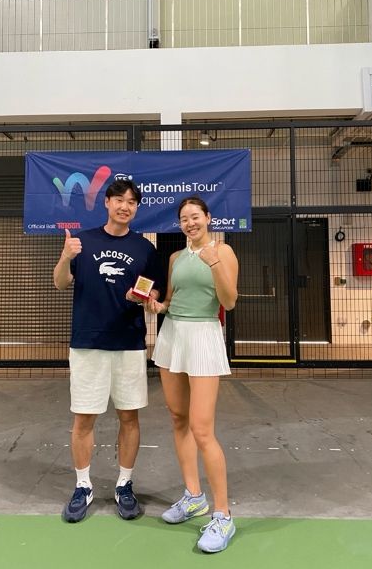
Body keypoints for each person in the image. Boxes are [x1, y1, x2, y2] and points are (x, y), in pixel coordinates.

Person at [53, 179, 162, 523]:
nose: (124, 206)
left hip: (128, 343)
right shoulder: (81, 241)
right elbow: (60, 282)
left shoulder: (144, 249)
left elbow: (153, 293)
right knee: (84, 418)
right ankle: (83, 486)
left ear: (136, 207)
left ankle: (124, 484)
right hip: (88, 343)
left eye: (131, 202)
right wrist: (65, 257)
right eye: (119, 200)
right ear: (107, 202)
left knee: (129, 417)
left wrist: (145, 299)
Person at [144, 196, 238, 553]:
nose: (190, 223)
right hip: (173, 335)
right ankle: (194, 496)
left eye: (195, 216)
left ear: (208, 218)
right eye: (184, 218)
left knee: (202, 429)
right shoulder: (175, 258)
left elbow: (229, 301)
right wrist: (157, 306)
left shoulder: (223, 252)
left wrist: (214, 263)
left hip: (203, 336)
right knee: (178, 418)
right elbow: (171, 298)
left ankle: (223, 515)